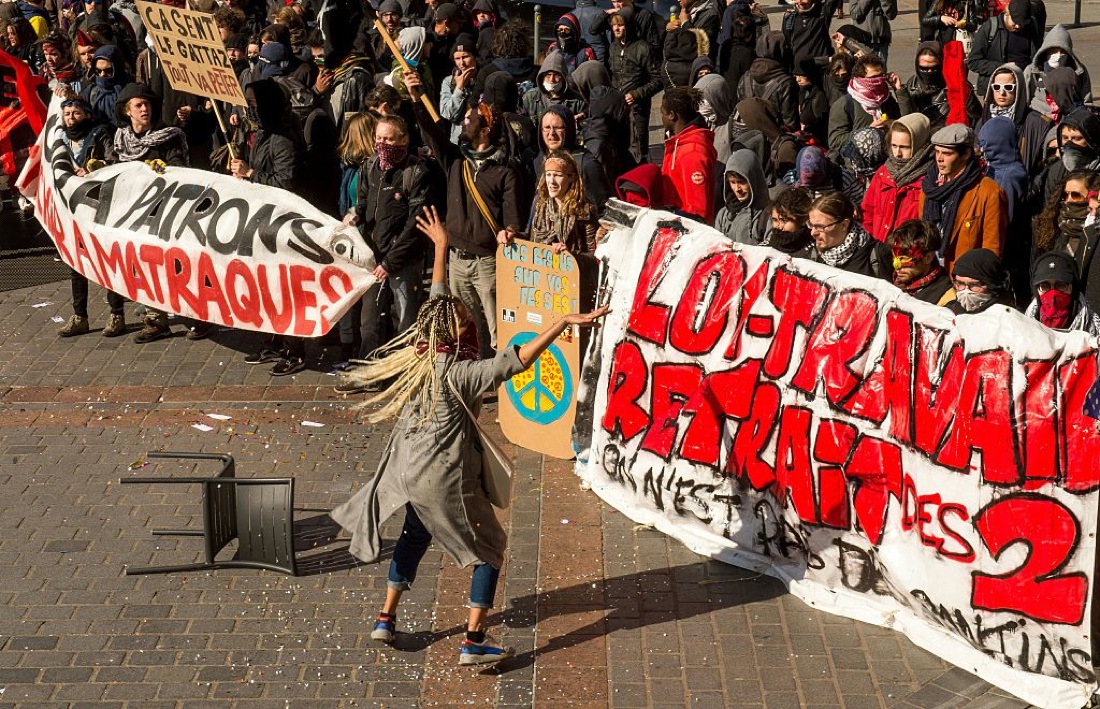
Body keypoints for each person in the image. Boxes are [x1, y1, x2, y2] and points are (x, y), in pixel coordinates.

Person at [330, 205, 609, 663]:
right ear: (458, 333)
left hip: (408, 471)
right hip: (443, 478)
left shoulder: (422, 351)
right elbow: (516, 361)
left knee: (415, 536)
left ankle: (385, 619)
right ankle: (474, 641)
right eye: (465, 318)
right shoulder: (461, 374)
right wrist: (561, 324)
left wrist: (441, 247)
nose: (468, 318)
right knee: (490, 549)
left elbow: (438, 298)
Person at [410, 72, 522, 358]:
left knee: (496, 328)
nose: (463, 122)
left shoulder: (504, 172)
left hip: (487, 264)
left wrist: (509, 232)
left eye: (470, 120)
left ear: (485, 130)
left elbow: (513, 217)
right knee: (464, 326)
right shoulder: (456, 161)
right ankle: (469, 369)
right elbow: (432, 133)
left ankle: (499, 374)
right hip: (457, 260)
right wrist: (416, 98)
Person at [341, 115, 431, 371]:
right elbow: (362, 202)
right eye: (378, 138)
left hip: (403, 261)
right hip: (373, 257)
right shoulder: (370, 166)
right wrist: (355, 214)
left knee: (405, 321)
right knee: (369, 321)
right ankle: (368, 367)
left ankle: (404, 370)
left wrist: (390, 262)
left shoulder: (416, 173)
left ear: (403, 140)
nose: (382, 144)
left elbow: (414, 225)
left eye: (388, 139)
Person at [108, 82, 189, 344]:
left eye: (147, 104)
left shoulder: (168, 136)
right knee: (143, 267)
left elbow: (180, 168)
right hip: (134, 215)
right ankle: (155, 319)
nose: (145, 109)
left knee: (172, 267)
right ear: (127, 111)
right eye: (139, 105)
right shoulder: (121, 139)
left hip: (164, 213)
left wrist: (164, 169)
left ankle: (196, 318)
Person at [55, 97, 124, 338]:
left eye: (76, 113)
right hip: (73, 209)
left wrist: (94, 168)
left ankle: (117, 314)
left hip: (99, 205)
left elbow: (114, 162)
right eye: (67, 114)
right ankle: (80, 316)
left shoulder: (100, 134)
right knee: (75, 262)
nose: (71, 118)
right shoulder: (59, 139)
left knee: (107, 259)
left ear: (87, 114)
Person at [919, 124, 1007, 274]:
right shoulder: (929, 187)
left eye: (947, 153)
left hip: (964, 277)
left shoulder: (989, 192)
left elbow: (992, 249)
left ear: (966, 154)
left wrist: (974, 282)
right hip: (930, 272)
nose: (939, 159)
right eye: (937, 152)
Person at [862, 114, 932, 243]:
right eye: (894, 146)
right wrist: (870, 244)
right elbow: (868, 212)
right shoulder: (883, 173)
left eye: (904, 147)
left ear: (919, 145)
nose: (897, 153)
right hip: (877, 247)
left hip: (906, 250)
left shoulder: (929, 179)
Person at [607, 8, 662, 165]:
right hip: (619, 108)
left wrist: (637, 94)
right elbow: (613, 77)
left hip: (638, 108)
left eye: (620, 25)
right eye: (614, 25)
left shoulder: (643, 48)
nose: (616, 29)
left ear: (629, 26)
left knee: (639, 151)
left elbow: (658, 79)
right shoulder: (613, 48)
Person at [659, 86, 717, 223]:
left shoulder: (692, 152)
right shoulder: (679, 143)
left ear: (672, 115)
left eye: (663, 113)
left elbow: (697, 209)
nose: (661, 118)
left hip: (687, 227)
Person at [894, 41, 981, 131]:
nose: (929, 72)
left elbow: (976, 119)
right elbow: (907, 118)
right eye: (924, 68)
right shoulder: (912, 84)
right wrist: (900, 91)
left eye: (934, 68)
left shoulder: (957, 87)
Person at [528, 150, 599, 255]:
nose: (551, 181)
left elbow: (594, 256)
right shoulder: (541, 205)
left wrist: (570, 255)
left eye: (558, 175)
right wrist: (512, 234)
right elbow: (529, 240)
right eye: (548, 175)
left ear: (571, 177)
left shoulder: (584, 210)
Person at [967, 0, 1041, 97]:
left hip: (1023, 87)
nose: (1018, 26)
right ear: (1007, 13)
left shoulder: (1031, 26)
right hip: (996, 90)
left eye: (1022, 23)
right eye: (1015, 22)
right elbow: (973, 62)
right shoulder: (990, 27)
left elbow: (1037, 56)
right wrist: (1003, 67)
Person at [828, 54, 899, 154]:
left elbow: (906, 123)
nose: (879, 81)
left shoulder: (886, 99)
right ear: (860, 79)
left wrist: (899, 90)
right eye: (873, 78)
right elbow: (835, 141)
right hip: (857, 160)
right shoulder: (844, 104)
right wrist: (867, 132)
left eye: (880, 76)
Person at [807, 192, 888, 278]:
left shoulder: (878, 255)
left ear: (844, 225)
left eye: (820, 227)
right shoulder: (809, 255)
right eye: (811, 225)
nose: (813, 233)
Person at [1025, 251, 1100, 336]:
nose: (1053, 294)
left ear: (1073, 288)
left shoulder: (1095, 333)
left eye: (1061, 285)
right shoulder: (1023, 331)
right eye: (1044, 286)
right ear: (1036, 290)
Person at [737, 31, 797, 132]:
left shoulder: (745, 77)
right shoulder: (786, 83)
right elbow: (790, 125)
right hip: (774, 138)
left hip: (746, 137)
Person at [886, 219, 955, 306]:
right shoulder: (889, 284)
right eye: (894, 258)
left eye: (904, 258)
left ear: (928, 258)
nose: (896, 266)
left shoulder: (946, 299)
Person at [715, 148, 770, 246]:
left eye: (741, 182)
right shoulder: (723, 215)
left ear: (753, 180)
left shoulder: (767, 216)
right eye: (733, 182)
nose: (737, 189)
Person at [782, 0, 843, 77]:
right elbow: (786, 46)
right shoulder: (790, 18)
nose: (801, 2)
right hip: (798, 74)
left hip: (820, 71)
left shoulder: (822, 12)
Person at [947, 247, 1016, 314]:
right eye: (960, 283)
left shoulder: (1007, 318)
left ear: (992, 285)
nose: (966, 291)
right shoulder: (949, 313)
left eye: (974, 284)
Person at [521, 51, 585, 122]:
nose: (552, 80)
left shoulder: (577, 101)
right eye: (548, 75)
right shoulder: (529, 98)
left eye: (556, 75)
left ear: (563, 77)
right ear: (542, 76)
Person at [765, 186, 816, 258]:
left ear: (803, 220)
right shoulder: (765, 248)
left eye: (785, 220)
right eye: (775, 220)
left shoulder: (814, 252)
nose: (779, 226)